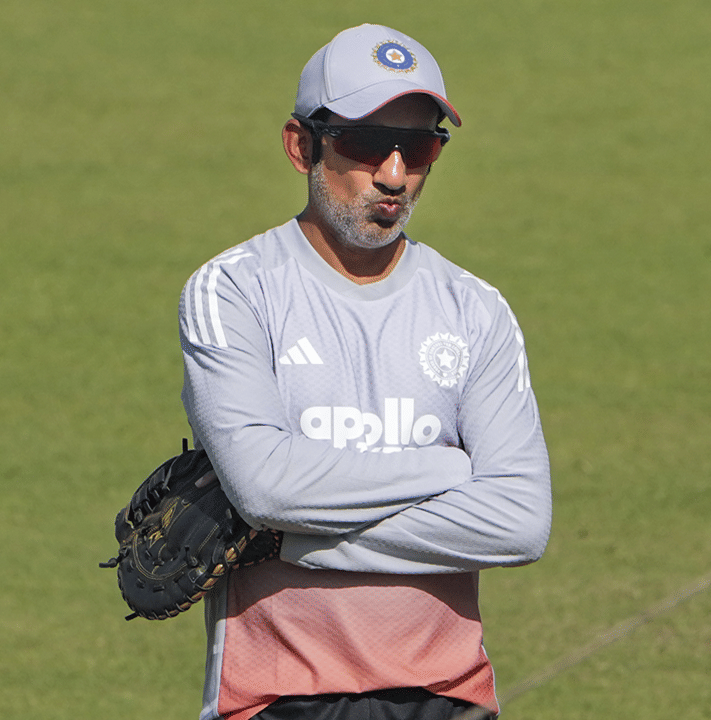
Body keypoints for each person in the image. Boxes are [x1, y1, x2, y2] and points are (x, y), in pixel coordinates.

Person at [178, 23, 552, 720]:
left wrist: (289, 537)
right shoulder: (234, 291)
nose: (394, 175)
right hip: (275, 700)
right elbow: (265, 488)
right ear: (302, 146)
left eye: (421, 146)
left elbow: (519, 520)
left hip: (449, 699)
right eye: (366, 143)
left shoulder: (475, 310)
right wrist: (450, 471)